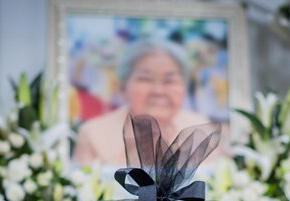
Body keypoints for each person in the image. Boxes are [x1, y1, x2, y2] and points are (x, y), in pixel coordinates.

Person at [73, 38, 219, 166]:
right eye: (145, 79)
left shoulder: (201, 129)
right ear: (123, 88)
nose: (158, 91)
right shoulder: (94, 133)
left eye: (170, 80)